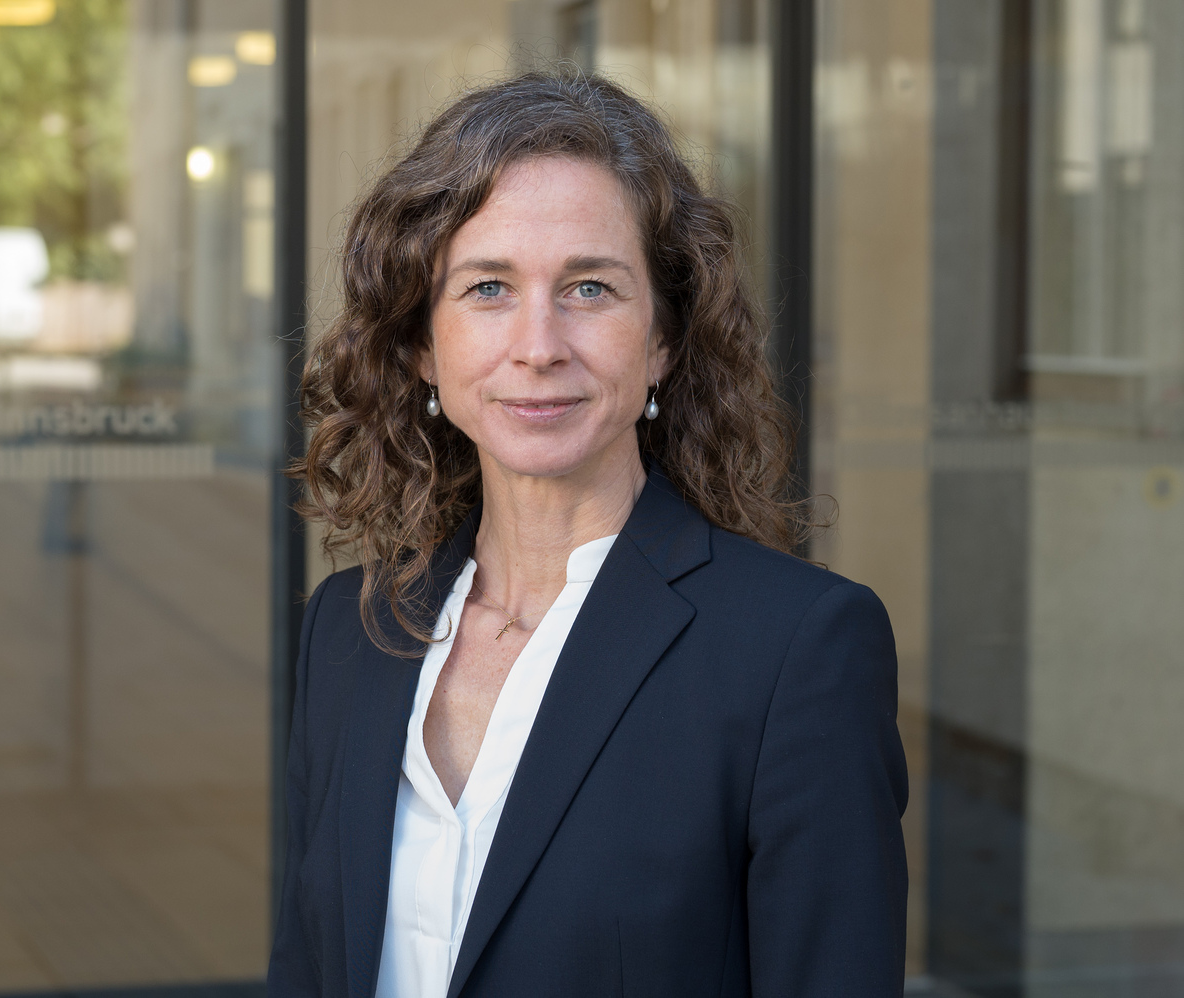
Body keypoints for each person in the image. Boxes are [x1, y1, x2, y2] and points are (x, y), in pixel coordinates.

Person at [268, 72, 907, 998]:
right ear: (422, 345)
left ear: (663, 341)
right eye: (488, 287)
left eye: (591, 288)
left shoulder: (795, 652)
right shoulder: (351, 629)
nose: (539, 345)